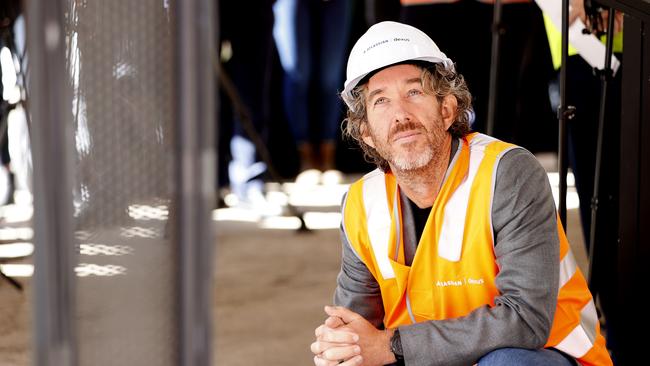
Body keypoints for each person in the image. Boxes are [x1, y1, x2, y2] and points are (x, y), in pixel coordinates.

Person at [310, 21, 612, 366]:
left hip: (545, 357)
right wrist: (340, 346)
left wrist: (394, 346)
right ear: (366, 133)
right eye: (381, 102)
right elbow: (355, 329)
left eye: (415, 92)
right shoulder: (361, 203)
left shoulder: (507, 172)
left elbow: (527, 320)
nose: (401, 115)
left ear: (448, 108)